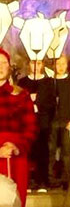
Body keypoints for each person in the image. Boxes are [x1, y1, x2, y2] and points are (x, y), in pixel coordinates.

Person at [0, 48, 37, 206]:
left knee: (15, 199)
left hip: (16, 156)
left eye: (3, 63)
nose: (0, 67)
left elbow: (31, 128)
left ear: (9, 67)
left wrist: (16, 147)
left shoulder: (21, 95)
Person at [17, 59, 56, 192]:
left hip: (42, 122)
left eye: (39, 63)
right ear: (28, 64)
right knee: (28, 152)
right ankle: (28, 181)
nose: (36, 66)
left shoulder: (48, 82)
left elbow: (51, 103)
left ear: (42, 65)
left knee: (42, 152)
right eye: (33, 63)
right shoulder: (23, 82)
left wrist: (38, 101)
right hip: (26, 122)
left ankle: (42, 181)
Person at [48, 55, 70, 189]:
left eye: (63, 64)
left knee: (66, 152)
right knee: (51, 151)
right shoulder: (50, 81)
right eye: (58, 64)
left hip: (66, 122)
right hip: (53, 122)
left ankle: (67, 179)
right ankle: (51, 179)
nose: (60, 67)